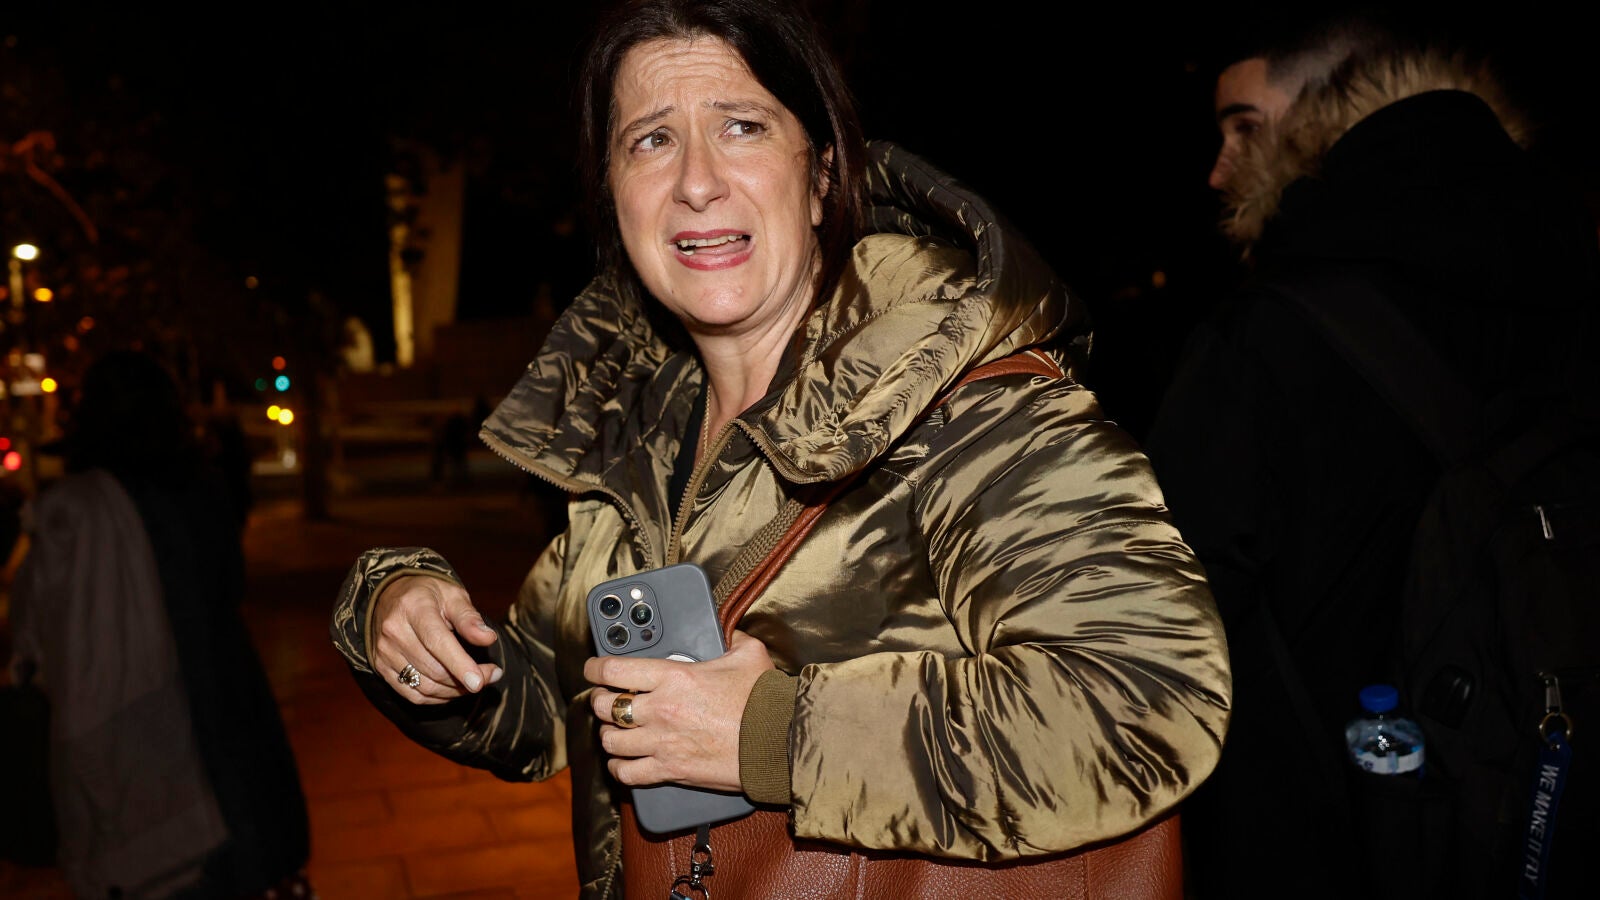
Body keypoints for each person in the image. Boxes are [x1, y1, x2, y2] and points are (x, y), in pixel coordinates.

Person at [330, 1, 1231, 896]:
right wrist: (402, 618)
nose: (696, 181)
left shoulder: (971, 408)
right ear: (612, 192)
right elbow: (538, 710)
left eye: (743, 126)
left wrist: (773, 735)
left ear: (822, 173)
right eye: (651, 140)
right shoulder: (636, 443)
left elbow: (1148, 695)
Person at [1144, 13, 1600, 900]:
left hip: (1313, 841)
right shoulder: (1570, 280)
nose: (1219, 170)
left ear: (1335, 103)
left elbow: (1159, 622)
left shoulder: (1268, 332)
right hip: (1527, 809)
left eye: (1244, 125)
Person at [8, 349, 314, 899]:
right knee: (235, 855)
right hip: (224, 706)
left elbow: (34, 637)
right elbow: (229, 584)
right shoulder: (200, 488)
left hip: (140, 727)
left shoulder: (73, 511)